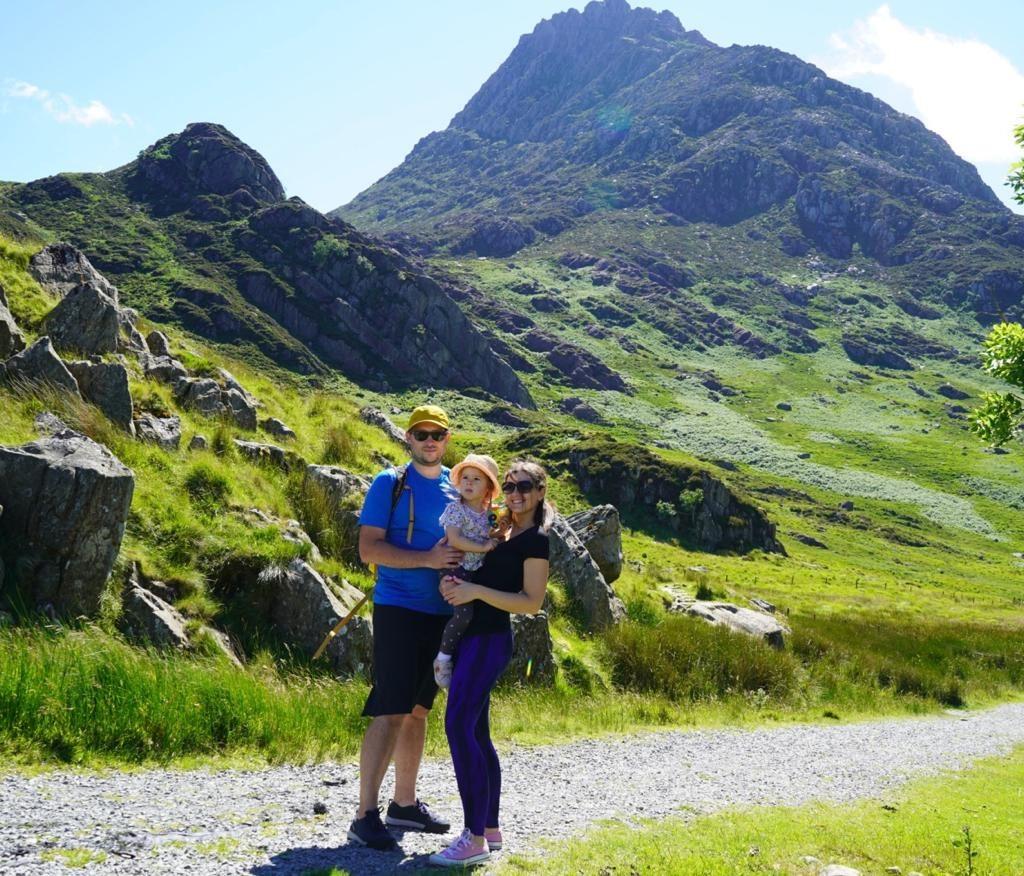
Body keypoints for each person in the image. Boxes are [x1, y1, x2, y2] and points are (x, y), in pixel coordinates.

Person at [347, 404, 463, 851]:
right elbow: (368, 549)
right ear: (409, 439)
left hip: (441, 616)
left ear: (446, 440)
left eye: (437, 434)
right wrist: (428, 560)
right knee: (391, 709)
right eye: (421, 434)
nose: (430, 441)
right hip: (397, 609)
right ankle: (364, 816)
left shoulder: (458, 487)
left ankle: (404, 806)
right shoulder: (388, 484)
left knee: (418, 710)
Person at [428, 459, 553, 868]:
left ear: (539, 493)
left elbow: (531, 603)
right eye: (511, 486)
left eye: (525, 488)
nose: (516, 494)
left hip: (489, 640)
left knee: (457, 726)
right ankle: (490, 828)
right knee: (477, 734)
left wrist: (474, 591)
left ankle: (473, 838)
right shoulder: (502, 526)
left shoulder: (535, 539)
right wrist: (456, 584)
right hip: (471, 638)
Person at [432, 453, 503, 690]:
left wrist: (498, 535)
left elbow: (496, 534)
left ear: (488, 489)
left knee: (475, 615)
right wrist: (483, 546)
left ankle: (465, 659)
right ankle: (442, 659)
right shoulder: (455, 509)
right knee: (464, 614)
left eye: (476, 479)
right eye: (465, 478)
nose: (469, 483)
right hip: (455, 567)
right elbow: (455, 539)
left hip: (474, 569)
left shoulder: (489, 513)